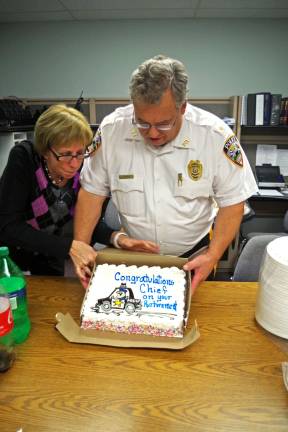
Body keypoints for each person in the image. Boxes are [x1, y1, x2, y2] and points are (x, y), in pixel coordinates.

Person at [70, 55, 258, 291]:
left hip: (193, 257)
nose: (153, 133)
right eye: (142, 123)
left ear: (183, 107)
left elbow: (232, 203)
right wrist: (81, 244)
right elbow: (91, 193)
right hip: (136, 259)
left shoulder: (214, 136)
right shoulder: (112, 130)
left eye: (164, 124)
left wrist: (213, 254)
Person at [0, 104, 121, 276]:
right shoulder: (25, 158)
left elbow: (85, 220)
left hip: (57, 260)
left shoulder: (83, 165)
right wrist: (68, 247)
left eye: (80, 153)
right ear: (45, 151)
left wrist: (116, 237)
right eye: (65, 154)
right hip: (18, 265)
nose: (74, 164)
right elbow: (8, 226)